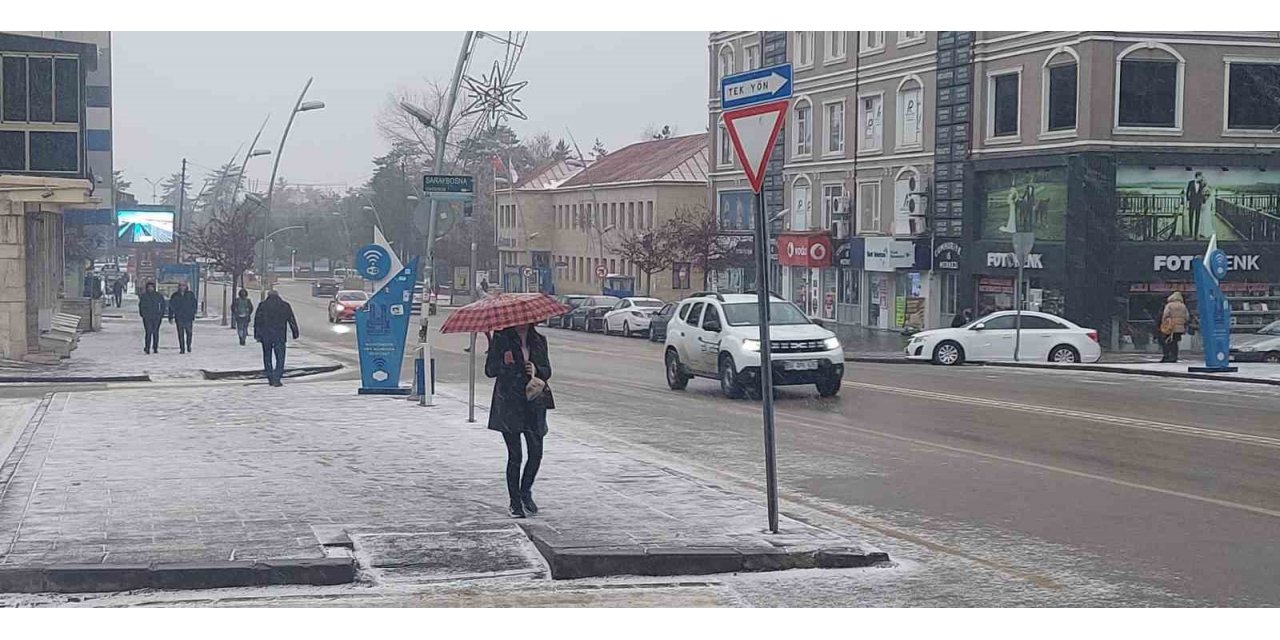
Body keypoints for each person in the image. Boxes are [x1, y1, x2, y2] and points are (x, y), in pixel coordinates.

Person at [485, 323, 554, 519]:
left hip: (533, 405)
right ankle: (515, 502)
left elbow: (547, 371)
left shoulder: (539, 340)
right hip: (510, 405)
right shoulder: (501, 339)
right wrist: (504, 363)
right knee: (515, 456)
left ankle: (525, 491)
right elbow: (490, 370)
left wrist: (536, 368)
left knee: (536, 453)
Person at [253, 289, 299, 387]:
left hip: (266, 336)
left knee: (267, 357)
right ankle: (277, 378)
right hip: (280, 335)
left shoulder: (263, 306)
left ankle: (270, 377)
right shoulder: (284, 305)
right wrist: (295, 332)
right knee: (280, 358)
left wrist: (257, 334)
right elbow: (291, 319)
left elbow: (257, 321)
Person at [1160, 291, 1190, 363]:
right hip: (1180, 328)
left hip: (1170, 327)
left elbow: (1165, 315)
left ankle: (1168, 356)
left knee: (1168, 342)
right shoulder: (1183, 306)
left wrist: (1164, 323)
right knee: (1175, 342)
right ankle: (1174, 356)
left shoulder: (1169, 305)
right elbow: (1187, 317)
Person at [168, 282, 198, 354]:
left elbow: (194, 304)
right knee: (180, 333)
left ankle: (188, 346)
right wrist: (171, 316)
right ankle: (182, 348)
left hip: (188, 317)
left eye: (184, 286)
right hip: (179, 317)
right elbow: (171, 306)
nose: (182, 287)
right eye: (181, 286)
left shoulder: (190, 295)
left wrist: (193, 313)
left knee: (189, 333)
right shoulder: (175, 296)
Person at [137, 281, 166, 354]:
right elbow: (141, 306)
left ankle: (155, 347)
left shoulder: (158, 296)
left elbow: (162, 305)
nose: (150, 288)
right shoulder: (144, 296)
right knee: (148, 332)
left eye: (151, 287)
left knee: (155, 332)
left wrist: (161, 314)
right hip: (147, 317)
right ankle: (147, 347)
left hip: (156, 317)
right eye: (149, 287)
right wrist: (143, 314)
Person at [1185, 172, 1210, 240]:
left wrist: (1203, 202)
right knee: (1190, 217)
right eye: (1201, 176)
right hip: (1191, 203)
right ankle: (1190, 232)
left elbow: (1203, 194)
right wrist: (1188, 201)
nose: (1201, 177)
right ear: (1197, 176)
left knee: (1197, 219)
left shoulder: (1202, 184)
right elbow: (1187, 192)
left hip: (1198, 203)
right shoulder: (1190, 183)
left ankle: (1196, 234)